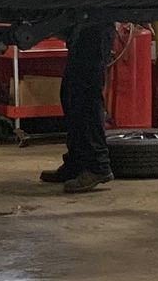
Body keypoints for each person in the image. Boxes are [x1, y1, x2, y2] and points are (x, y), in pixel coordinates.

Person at [39, 21, 116, 193]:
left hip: (95, 23)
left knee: (86, 97)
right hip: (82, 25)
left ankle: (97, 166)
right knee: (70, 94)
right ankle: (76, 163)